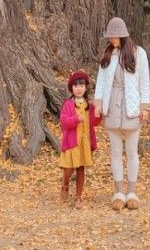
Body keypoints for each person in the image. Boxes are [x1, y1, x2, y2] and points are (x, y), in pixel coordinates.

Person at [93, 16, 150, 211]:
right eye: (110, 38)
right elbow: (101, 82)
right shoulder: (108, 55)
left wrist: (144, 107)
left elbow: (144, 81)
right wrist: (98, 104)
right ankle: (118, 190)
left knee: (132, 151)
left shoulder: (138, 54)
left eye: (115, 37)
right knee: (116, 152)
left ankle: (132, 191)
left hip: (131, 105)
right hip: (112, 106)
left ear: (122, 35)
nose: (112, 41)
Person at [59, 69, 101, 208]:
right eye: (76, 86)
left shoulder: (89, 105)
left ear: (85, 87)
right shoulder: (68, 104)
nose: (79, 89)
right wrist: (76, 119)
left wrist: (97, 113)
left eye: (81, 85)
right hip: (72, 143)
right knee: (69, 168)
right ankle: (65, 184)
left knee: (81, 169)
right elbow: (64, 122)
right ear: (72, 88)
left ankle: (78, 197)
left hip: (84, 143)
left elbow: (95, 122)